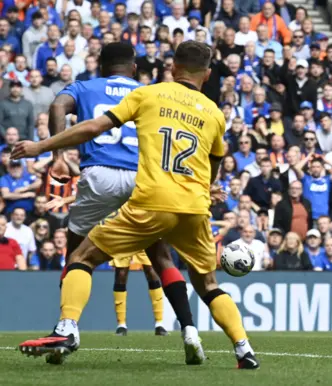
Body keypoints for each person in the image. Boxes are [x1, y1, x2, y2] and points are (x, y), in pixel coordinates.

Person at [13, 41, 259, 369]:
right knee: (208, 283)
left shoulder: (151, 94)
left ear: (172, 68)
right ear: (209, 74)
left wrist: (41, 147)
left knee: (81, 257)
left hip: (151, 200)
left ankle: (67, 328)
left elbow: (93, 127)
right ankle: (243, 350)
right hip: (195, 208)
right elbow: (213, 165)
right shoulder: (215, 113)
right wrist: (210, 189)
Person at [37, 43, 168, 337]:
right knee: (160, 256)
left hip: (99, 173)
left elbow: (57, 106)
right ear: (134, 68)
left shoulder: (84, 86)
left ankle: (66, 325)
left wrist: (58, 157)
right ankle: (188, 330)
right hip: (141, 178)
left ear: (100, 65)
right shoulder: (149, 92)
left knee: (76, 254)